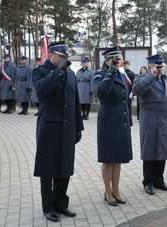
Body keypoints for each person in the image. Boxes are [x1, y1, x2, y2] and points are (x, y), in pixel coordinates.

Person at [32, 41, 84, 222]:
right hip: (49, 127)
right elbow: (42, 89)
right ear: (51, 55)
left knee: (64, 166)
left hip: (68, 126)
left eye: (65, 56)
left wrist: (78, 126)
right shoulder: (40, 70)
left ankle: (61, 203)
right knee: (48, 168)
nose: (64, 58)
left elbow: (75, 99)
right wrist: (59, 71)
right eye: (60, 55)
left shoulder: (69, 72)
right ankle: (48, 206)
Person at [94, 46, 133, 206]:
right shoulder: (100, 74)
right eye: (115, 60)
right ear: (107, 60)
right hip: (108, 121)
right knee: (108, 159)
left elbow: (126, 100)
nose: (118, 62)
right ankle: (107, 191)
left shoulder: (122, 76)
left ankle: (116, 189)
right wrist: (110, 71)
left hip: (121, 121)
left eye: (119, 59)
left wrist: (128, 120)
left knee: (118, 159)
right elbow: (102, 92)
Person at [133, 54, 167, 195]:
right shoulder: (142, 78)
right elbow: (138, 91)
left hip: (164, 120)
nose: (160, 69)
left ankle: (159, 180)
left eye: (161, 67)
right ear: (151, 66)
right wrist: (151, 75)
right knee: (150, 151)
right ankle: (148, 182)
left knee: (162, 151)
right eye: (157, 66)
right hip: (150, 120)